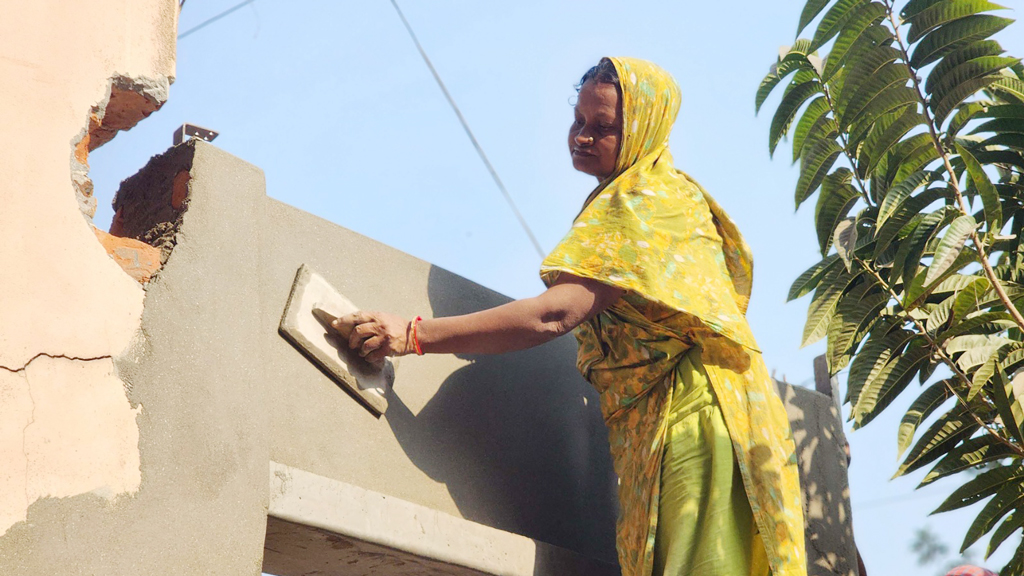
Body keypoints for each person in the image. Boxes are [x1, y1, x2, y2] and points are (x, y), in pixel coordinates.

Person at [336, 57, 806, 576]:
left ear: (644, 129)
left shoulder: (644, 200)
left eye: (602, 127)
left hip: (696, 412)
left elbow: (555, 314)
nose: (582, 137)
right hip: (688, 413)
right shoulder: (658, 195)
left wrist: (413, 335)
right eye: (578, 121)